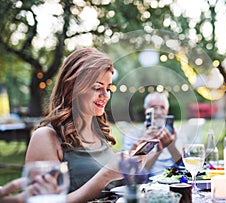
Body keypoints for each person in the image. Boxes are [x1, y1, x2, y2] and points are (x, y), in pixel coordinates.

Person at [25, 48, 146, 203]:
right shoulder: (45, 137)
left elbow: (110, 191)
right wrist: (106, 174)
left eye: (108, 88)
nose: (105, 95)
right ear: (73, 88)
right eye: (97, 87)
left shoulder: (98, 131)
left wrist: (128, 170)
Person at [123, 92, 182, 176]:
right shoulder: (133, 134)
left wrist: (171, 147)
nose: (158, 112)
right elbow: (133, 174)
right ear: (145, 110)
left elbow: (184, 167)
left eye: (162, 108)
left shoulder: (175, 133)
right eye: (153, 107)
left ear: (167, 110)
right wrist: (151, 147)